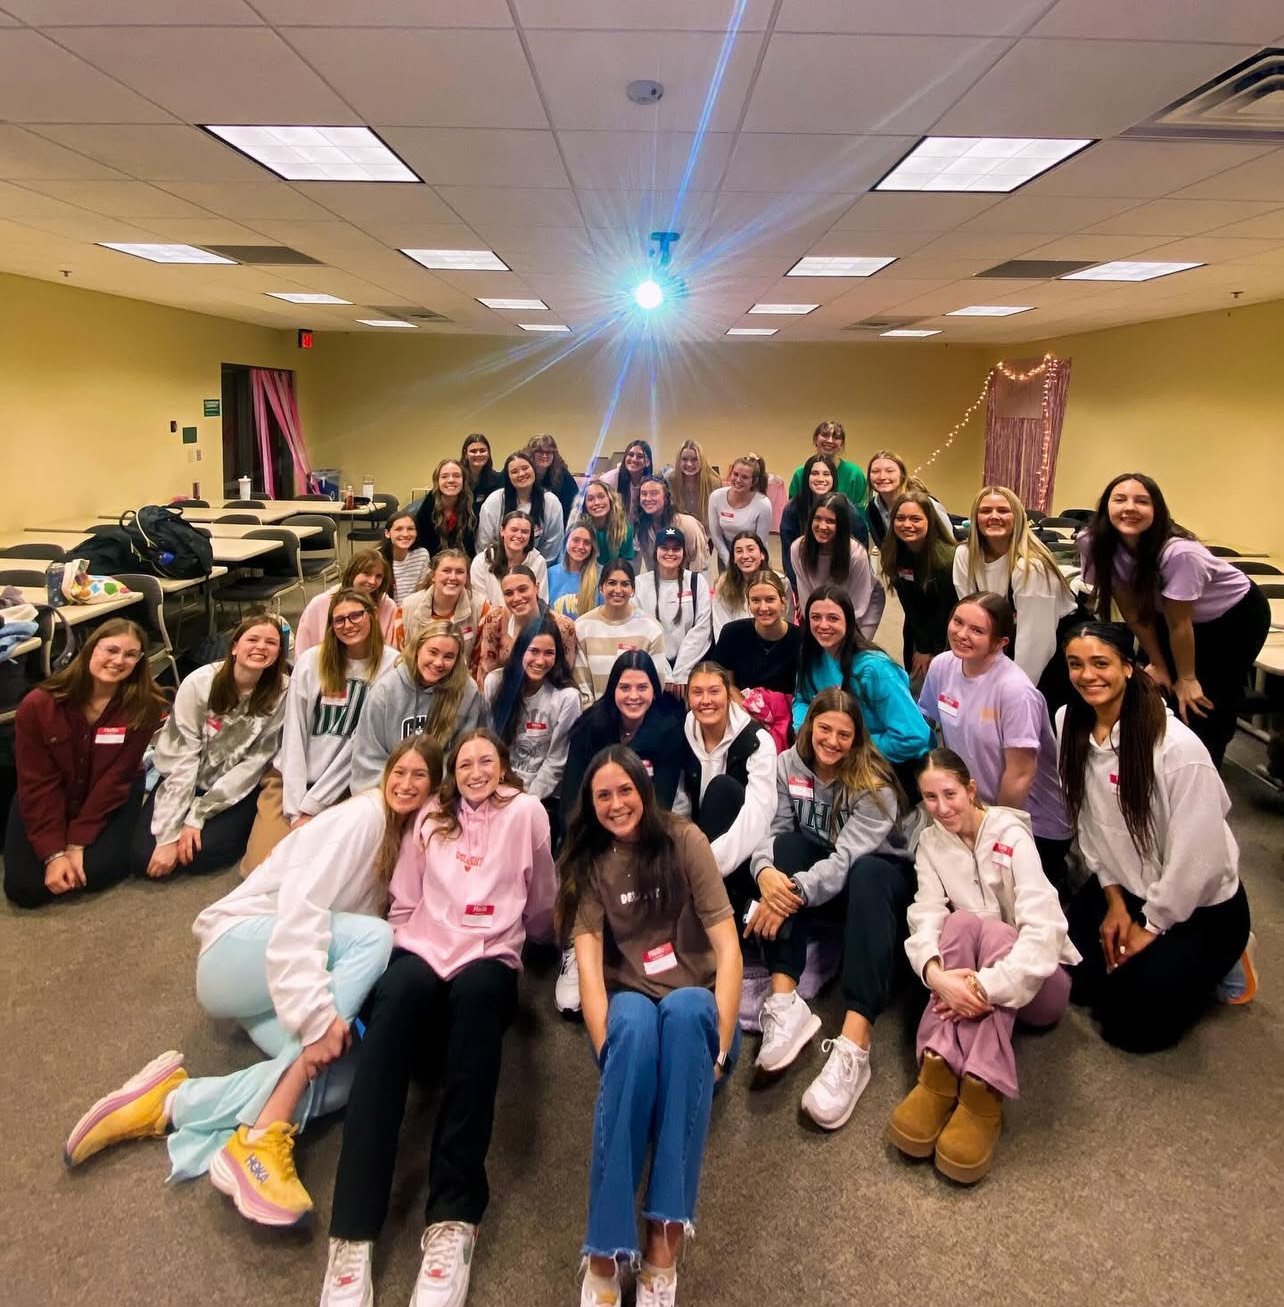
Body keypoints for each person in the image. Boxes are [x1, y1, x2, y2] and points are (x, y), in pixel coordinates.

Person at [64, 739, 444, 1226]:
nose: (407, 785)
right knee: (374, 937)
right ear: (385, 772)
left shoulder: (402, 841)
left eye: (420, 778)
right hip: (235, 952)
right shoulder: (362, 819)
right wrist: (317, 1018)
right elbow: (300, 915)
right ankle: (265, 1132)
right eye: (401, 772)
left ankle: (170, 1102)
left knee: (346, 1079)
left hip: (273, 981)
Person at [319, 730, 556, 1307]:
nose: (476, 770)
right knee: (391, 1017)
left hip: (489, 953)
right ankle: (352, 1233)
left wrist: (546, 943)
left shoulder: (526, 812)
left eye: (487, 761)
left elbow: (542, 893)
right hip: (424, 946)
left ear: (503, 766)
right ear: (453, 771)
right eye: (465, 762)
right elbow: (404, 898)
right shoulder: (430, 815)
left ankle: (453, 1218)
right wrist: (405, 947)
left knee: (476, 1026)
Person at [560, 747, 742, 1307]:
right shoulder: (590, 860)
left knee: (687, 1012)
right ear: (590, 806)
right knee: (634, 1028)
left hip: (695, 1005)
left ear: (644, 788)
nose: (617, 804)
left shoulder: (685, 840)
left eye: (625, 791)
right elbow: (590, 971)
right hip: (631, 999)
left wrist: (721, 1051)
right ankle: (604, 1251)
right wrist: (605, 1051)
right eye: (603, 796)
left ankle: (663, 1243)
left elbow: (729, 952)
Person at [1058, 623, 1253, 1052]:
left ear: (1129, 668)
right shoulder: (1069, 724)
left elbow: (1198, 859)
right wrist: (1113, 902)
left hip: (1196, 906)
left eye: (1101, 663)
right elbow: (1088, 825)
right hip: (1124, 885)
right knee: (1071, 980)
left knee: (1129, 1028)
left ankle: (1231, 960)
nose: (1087, 675)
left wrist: (1150, 926)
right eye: (1076, 664)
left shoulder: (1177, 750)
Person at [889, 749, 1080, 1184]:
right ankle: (939, 1070)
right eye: (930, 798)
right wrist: (935, 975)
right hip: (967, 985)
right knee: (958, 921)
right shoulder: (931, 845)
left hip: (1039, 987)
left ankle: (981, 1091)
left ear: (971, 790)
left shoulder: (1011, 835)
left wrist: (982, 987)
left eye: (950, 794)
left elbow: (1044, 929)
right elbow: (925, 914)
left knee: (997, 933)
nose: (942, 808)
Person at [746, 689, 912, 1129]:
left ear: (857, 738)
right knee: (787, 845)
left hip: (876, 890)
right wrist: (766, 872)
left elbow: (846, 861)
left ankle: (856, 1045)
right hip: (816, 882)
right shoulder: (787, 765)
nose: (833, 741)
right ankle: (785, 1002)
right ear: (808, 726)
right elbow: (776, 830)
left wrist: (791, 891)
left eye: (844, 734)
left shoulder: (875, 787)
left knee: (869, 872)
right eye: (825, 729)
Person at [1078, 472, 1270, 768]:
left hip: (1233, 618)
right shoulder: (1094, 542)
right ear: (1105, 508)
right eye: (1120, 499)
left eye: (1142, 501)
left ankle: (1206, 769)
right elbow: (1131, 609)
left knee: (1203, 698)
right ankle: (1159, 765)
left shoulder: (1180, 553)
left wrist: (1188, 677)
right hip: (1164, 613)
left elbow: (1180, 623)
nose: (1130, 507)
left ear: (1157, 511)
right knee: (1157, 686)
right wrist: (1158, 663)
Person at [557, 653, 691, 1016]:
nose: (633, 695)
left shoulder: (668, 728)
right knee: (576, 850)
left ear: (655, 689)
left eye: (642, 687)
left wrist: (627, 833)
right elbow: (572, 791)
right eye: (625, 686)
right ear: (613, 689)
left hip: (645, 822)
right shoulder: (591, 725)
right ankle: (576, 947)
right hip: (595, 820)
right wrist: (592, 831)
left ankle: (640, 945)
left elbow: (659, 798)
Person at [4, 619, 167, 908]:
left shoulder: (145, 706)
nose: (119, 660)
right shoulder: (39, 705)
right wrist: (54, 853)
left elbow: (117, 778)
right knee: (25, 889)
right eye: (111, 650)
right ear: (91, 649)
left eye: (130, 654)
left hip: (109, 793)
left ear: (139, 661)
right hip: (50, 791)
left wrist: (77, 841)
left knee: (97, 871)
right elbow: (38, 781)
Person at [919, 594, 1073, 889]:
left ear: (1001, 642)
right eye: (958, 622)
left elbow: (1020, 774)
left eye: (977, 631)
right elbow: (926, 724)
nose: (962, 634)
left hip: (1029, 823)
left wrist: (994, 832)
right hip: (973, 811)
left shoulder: (1015, 691)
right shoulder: (942, 666)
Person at [242, 589, 397, 874]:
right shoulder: (312, 661)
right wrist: (294, 807)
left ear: (373, 616)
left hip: (349, 787)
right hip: (293, 782)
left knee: (327, 873)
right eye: (339, 620)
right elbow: (294, 735)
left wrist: (314, 805)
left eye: (356, 616)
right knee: (263, 870)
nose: (348, 625)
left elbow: (360, 745)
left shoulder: (392, 665)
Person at [130, 615, 289, 881]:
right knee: (142, 854)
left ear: (278, 653)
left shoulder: (282, 690)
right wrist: (170, 832)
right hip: (187, 776)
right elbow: (182, 756)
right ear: (235, 646)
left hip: (235, 784)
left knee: (207, 852)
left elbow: (255, 762)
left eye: (271, 643)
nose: (261, 647)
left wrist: (198, 815)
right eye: (252, 639)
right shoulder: (200, 683)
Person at [793, 587, 931, 794]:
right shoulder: (812, 655)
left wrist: (847, 744)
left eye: (833, 618)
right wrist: (807, 731)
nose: (823, 625)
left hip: (888, 768)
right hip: (835, 757)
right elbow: (802, 698)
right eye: (815, 617)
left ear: (848, 621)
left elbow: (913, 737)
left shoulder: (875, 669)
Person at [955, 485, 1081, 705]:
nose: (994, 516)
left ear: (1018, 517)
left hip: (1051, 656)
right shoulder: (964, 555)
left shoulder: (1031, 567)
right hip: (1004, 643)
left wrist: (1013, 696)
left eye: (1003, 510)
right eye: (985, 511)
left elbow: (1036, 644)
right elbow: (971, 619)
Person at [679, 663, 777, 911]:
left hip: (741, 849)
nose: (706, 701)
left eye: (714, 691)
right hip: (694, 846)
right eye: (697, 692)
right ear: (688, 696)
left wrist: (707, 864)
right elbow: (677, 803)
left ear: (728, 693)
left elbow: (758, 816)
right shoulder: (681, 732)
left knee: (722, 789)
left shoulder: (757, 741)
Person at [350, 623, 488, 792]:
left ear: (457, 659)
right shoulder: (385, 692)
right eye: (433, 652)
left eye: (449, 656)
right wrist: (401, 789)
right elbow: (368, 759)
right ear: (417, 649)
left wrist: (430, 789)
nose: (438, 663)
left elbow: (463, 757)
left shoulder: (466, 692)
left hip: (441, 791)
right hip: (391, 790)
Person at [483, 614, 582, 807]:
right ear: (521, 651)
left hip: (542, 798)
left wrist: (527, 800)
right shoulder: (495, 683)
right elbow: (488, 743)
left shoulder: (567, 697)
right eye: (534, 651)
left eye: (548, 653)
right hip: (498, 787)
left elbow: (557, 761)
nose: (540, 660)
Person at [879, 490, 958, 681]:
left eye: (915, 519)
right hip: (916, 627)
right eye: (901, 518)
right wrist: (922, 646)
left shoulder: (947, 560)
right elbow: (910, 606)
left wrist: (934, 652)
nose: (907, 525)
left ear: (930, 521)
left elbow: (948, 611)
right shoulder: (894, 553)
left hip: (948, 632)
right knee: (914, 678)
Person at [573, 560, 671, 704]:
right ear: (601, 587)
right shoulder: (582, 627)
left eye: (625, 584)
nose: (618, 590)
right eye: (612, 583)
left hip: (638, 718)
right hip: (595, 720)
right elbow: (581, 685)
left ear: (633, 590)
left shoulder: (651, 629)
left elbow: (656, 686)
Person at [791, 492, 885, 638]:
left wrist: (836, 635)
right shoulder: (798, 549)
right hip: (825, 609)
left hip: (861, 610)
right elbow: (807, 597)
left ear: (842, 525)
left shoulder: (856, 554)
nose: (822, 526)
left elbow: (858, 605)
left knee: (849, 655)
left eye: (830, 521)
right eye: (818, 519)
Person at [633, 527, 714, 694]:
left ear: (683, 552)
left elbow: (702, 629)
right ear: (656, 551)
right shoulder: (639, 584)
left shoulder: (697, 582)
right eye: (664, 548)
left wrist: (681, 673)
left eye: (676, 548)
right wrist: (665, 672)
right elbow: (640, 632)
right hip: (651, 668)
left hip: (690, 670)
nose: (670, 553)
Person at [472, 564, 578, 687]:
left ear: (537, 587)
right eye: (509, 593)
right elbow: (486, 670)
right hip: (505, 694)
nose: (516, 598)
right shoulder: (495, 620)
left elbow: (565, 676)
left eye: (523, 589)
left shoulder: (563, 627)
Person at [709, 570, 802, 698]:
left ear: (783, 602)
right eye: (756, 600)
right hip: (742, 710)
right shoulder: (732, 633)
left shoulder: (800, 639)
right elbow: (726, 683)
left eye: (770, 600)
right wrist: (743, 706)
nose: (763, 608)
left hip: (786, 711)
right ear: (749, 604)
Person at [295, 551, 399, 655]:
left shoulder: (388, 607)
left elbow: (393, 654)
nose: (372, 581)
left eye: (378, 576)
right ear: (352, 572)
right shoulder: (319, 605)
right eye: (366, 573)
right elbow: (302, 653)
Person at [476, 450, 565, 564]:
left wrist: (533, 569)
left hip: (536, 569)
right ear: (508, 477)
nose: (521, 474)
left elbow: (552, 546)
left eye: (525, 468)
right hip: (497, 567)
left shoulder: (551, 502)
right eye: (514, 471)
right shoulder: (495, 501)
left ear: (534, 470)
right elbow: (485, 542)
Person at [711, 531, 795, 639]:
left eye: (751, 550)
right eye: (739, 551)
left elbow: (786, 620)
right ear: (734, 559)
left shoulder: (781, 582)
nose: (745, 556)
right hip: (734, 645)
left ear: (762, 555)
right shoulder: (723, 584)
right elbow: (720, 625)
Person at [781, 453, 844, 593]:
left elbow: (858, 549)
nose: (820, 479)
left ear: (833, 478)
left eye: (826, 474)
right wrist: (797, 589)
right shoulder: (793, 509)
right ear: (806, 478)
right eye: (815, 473)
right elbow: (787, 553)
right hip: (803, 578)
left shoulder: (846, 509)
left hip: (838, 578)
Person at [402, 548, 478, 663]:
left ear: (466, 578)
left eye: (459, 572)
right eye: (446, 571)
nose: (453, 577)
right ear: (433, 575)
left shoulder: (481, 607)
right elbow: (400, 656)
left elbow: (481, 661)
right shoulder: (408, 606)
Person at [865, 449, 952, 547]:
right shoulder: (872, 509)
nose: (882, 476)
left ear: (902, 475)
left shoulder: (927, 504)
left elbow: (949, 542)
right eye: (875, 471)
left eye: (890, 471)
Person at [469, 509, 549, 616]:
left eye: (525, 532)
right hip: (489, 621)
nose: (519, 535)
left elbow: (541, 602)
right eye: (514, 530)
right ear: (502, 531)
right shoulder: (482, 561)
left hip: (527, 622)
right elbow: (479, 603)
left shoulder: (538, 561)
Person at [633, 475, 711, 576]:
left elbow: (700, 565)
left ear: (665, 497)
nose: (648, 498)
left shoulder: (687, 524)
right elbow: (651, 567)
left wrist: (693, 589)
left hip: (688, 583)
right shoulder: (641, 528)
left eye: (654, 493)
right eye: (644, 494)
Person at [707, 454, 773, 568]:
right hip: (726, 550)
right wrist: (728, 560)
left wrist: (747, 561)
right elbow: (715, 534)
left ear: (754, 481)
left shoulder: (763, 504)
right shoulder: (716, 497)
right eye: (735, 474)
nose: (738, 480)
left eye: (745, 477)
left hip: (753, 552)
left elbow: (760, 541)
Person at [787, 420, 867, 505]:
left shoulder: (855, 474)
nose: (830, 441)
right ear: (815, 440)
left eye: (836, 437)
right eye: (825, 435)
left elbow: (860, 513)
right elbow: (793, 511)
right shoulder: (800, 475)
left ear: (842, 444)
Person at [413, 457, 478, 559]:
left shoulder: (471, 506)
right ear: (437, 482)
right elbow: (421, 547)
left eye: (456, 476)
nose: (451, 480)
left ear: (464, 481)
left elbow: (470, 549)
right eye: (444, 476)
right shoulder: (426, 509)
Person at [547, 521, 600, 619]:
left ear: (592, 547)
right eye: (576, 540)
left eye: (587, 543)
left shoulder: (601, 575)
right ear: (566, 541)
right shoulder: (550, 573)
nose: (580, 546)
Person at [666, 438, 720, 530]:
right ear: (679, 461)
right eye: (684, 459)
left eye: (695, 459)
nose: (689, 464)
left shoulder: (714, 483)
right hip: (678, 534)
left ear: (702, 461)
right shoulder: (670, 480)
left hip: (708, 536)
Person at [380, 510, 432, 603]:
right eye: (398, 529)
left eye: (410, 529)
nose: (405, 534)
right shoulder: (377, 558)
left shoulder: (421, 555)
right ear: (387, 533)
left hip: (412, 610)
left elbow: (421, 592)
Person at [527, 432, 580, 521]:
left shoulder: (563, 476)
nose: (544, 455)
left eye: (549, 452)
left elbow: (575, 505)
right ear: (531, 453)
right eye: (540, 451)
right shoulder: (522, 471)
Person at [581, 478, 635, 565]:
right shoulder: (580, 529)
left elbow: (625, 564)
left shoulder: (625, 529)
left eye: (601, 496)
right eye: (590, 499)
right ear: (584, 505)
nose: (597, 502)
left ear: (610, 499)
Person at [600, 438, 653, 515]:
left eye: (640, 456)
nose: (634, 459)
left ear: (647, 462)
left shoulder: (651, 483)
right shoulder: (608, 480)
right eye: (631, 455)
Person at [461, 433, 503, 516]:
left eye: (482, 450)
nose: (478, 454)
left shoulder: (498, 480)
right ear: (465, 453)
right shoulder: (457, 478)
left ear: (488, 453)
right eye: (473, 451)